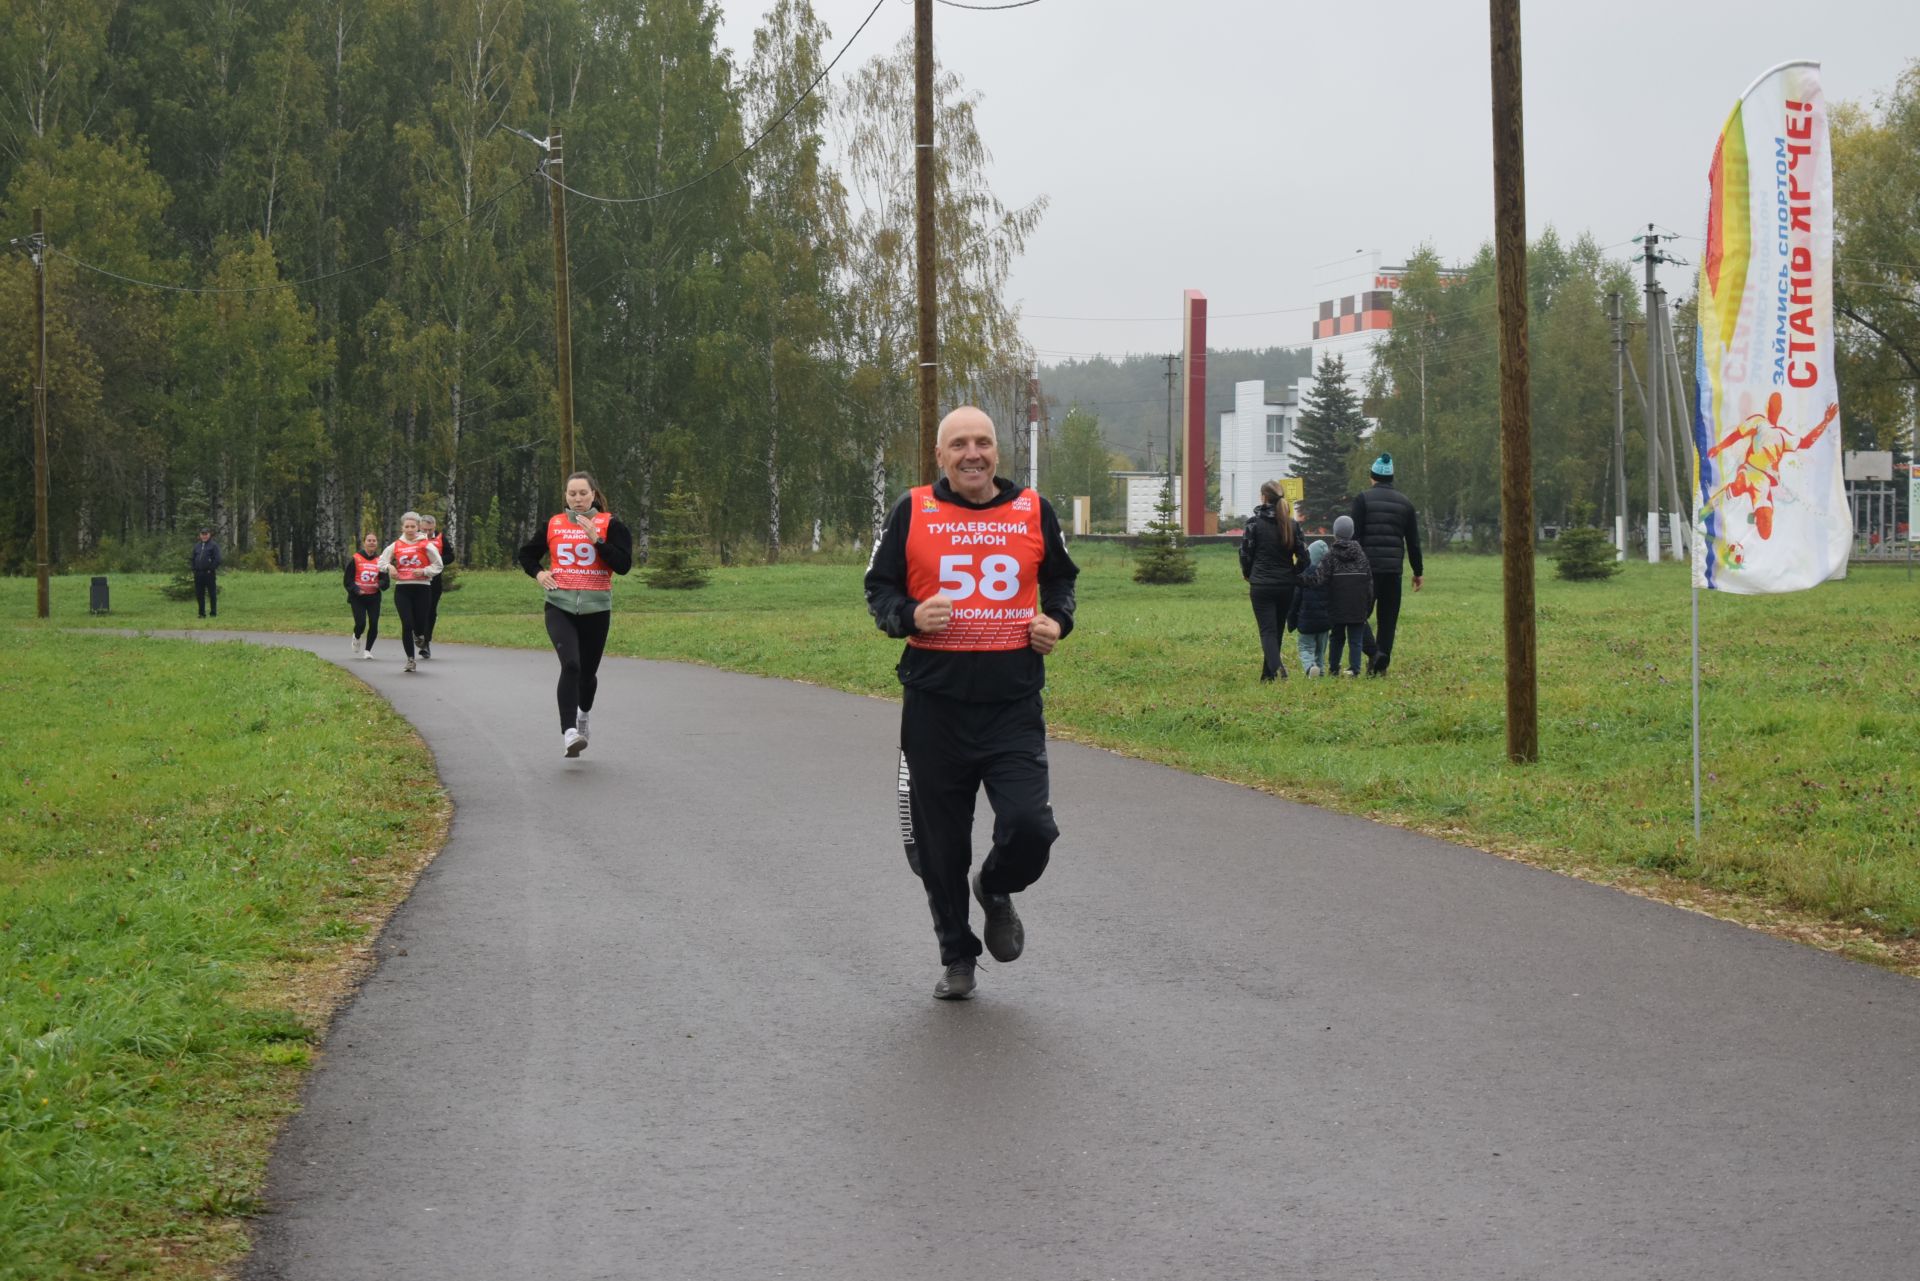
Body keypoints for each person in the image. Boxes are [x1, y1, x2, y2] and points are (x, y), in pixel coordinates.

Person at [864, 406, 1079, 1002]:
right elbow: (877, 588)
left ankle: (995, 884)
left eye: (982, 442)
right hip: (935, 706)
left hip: (1012, 704)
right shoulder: (912, 509)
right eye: (959, 444)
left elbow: (1061, 581)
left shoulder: (1033, 509)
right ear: (941, 457)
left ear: (996, 453)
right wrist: (908, 615)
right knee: (941, 848)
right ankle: (958, 956)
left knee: (1032, 827)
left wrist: (1056, 622)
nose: (972, 454)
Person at [516, 472, 634, 757]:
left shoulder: (611, 524)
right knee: (571, 665)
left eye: (583, 493)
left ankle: (583, 715)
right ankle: (569, 732)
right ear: (565, 496)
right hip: (560, 604)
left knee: (587, 674)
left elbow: (623, 565)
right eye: (572, 494)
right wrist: (539, 573)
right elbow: (526, 554)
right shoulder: (553, 524)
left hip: (596, 608)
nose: (577, 499)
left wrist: (598, 541)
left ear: (594, 494)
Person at [1349, 453, 1423, 676]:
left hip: (1366, 570)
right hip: (1393, 571)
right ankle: (1380, 666)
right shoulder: (1406, 504)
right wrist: (1417, 571)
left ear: (1372, 477)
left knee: (1358, 614)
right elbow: (1413, 542)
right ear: (1391, 478)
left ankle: (1373, 655)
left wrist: (1350, 566)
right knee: (1388, 619)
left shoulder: (1362, 500)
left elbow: (1354, 536)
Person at [1239, 481, 1310, 681]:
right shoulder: (1292, 525)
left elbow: (1245, 552)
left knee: (1267, 631)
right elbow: (1305, 557)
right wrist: (1293, 574)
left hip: (1261, 584)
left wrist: (1248, 573)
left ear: (1263, 497)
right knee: (1276, 630)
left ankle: (1277, 668)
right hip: (1286, 586)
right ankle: (1267, 675)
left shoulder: (1253, 523)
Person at [1300, 515, 1373, 677]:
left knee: (1337, 638)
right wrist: (1368, 606)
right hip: (1358, 606)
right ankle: (1354, 669)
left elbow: (1318, 579)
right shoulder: (1362, 556)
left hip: (1337, 605)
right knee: (1355, 639)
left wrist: (1299, 577)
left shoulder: (1331, 556)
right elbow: (1369, 583)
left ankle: (1334, 669)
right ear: (1352, 532)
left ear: (1335, 533)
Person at [375, 512, 443, 674]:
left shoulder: (426, 544)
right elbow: (381, 561)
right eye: (407, 526)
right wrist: (390, 568)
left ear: (418, 527)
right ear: (402, 528)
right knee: (407, 624)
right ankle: (410, 660)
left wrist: (425, 570)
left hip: (422, 587)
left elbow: (438, 565)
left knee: (419, 623)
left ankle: (420, 636)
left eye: (413, 526)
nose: (410, 529)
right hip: (403, 588)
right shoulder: (396, 545)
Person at [1287, 539, 1332, 677]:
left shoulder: (1304, 576)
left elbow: (1295, 601)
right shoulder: (1330, 576)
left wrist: (1291, 621)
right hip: (1325, 622)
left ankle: (1310, 667)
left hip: (1306, 621)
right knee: (1321, 650)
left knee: (1305, 648)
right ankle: (1321, 671)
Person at [344, 532, 389, 660]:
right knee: (361, 623)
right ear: (364, 542)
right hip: (358, 597)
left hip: (374, 597)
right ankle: (357, 636)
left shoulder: (380, 561)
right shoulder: (356, 558)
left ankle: (368, 650)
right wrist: (356, 590)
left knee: (374, 623)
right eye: (369, 540)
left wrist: (379, 584)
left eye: (374, 540)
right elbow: (347, 580)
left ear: (377, 543)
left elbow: (386, 581)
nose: (371, 542)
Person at [419, 514, 452, 660]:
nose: (427, 533)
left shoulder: (440, 538)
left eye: (430, 530)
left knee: (431, 610)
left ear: (435, 527)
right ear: (420, 527)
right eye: (424, 530)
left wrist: (437, 561)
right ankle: (417, 634)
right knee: (417, 610)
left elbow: (451, 556)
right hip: (417, 579)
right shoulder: (414, 538)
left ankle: (426, 642)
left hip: (435, 580)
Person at [190, 526, 222, 618]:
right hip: (198, 574)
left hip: (209, 574)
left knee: (212, 594)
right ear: (200, 535)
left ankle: (213, 613)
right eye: (202, 534)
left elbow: (218, 559)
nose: (204, 536)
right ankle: (201, 613)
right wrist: (194, 569)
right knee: (199, 594)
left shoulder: (213, 545)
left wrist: (210, 569)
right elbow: (193, 558)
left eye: (206, 534)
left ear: (209, 535)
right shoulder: (197, 546)